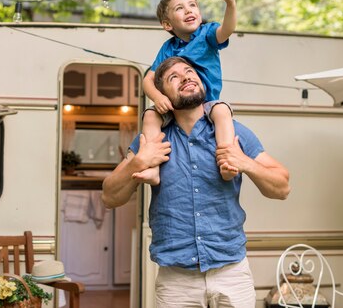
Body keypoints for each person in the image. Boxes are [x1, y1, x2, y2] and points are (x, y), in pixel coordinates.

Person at [102, 57, 290, 308]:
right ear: (162, 96)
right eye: (174, 77)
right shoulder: (151, 139)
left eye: (189, 72)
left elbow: (282, 187)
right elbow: (110, 196)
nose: (187, 77)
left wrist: (245, 162)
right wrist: (138, 162)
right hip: (176, 280)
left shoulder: (233, 132)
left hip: (232, 273)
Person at [138, 0, 237, 186]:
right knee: (149, 115)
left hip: (206, 103)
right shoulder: (168, 48)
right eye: (179, 8)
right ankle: (152, 168)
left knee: (222, 112)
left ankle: (227, 161)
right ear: (167, 25)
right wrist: (158, 97)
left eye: (192, 5)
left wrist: (230, 3)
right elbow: (148, 79)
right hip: (177, 106)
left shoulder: (207, 34)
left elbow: (227, 29)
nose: (188, 10)